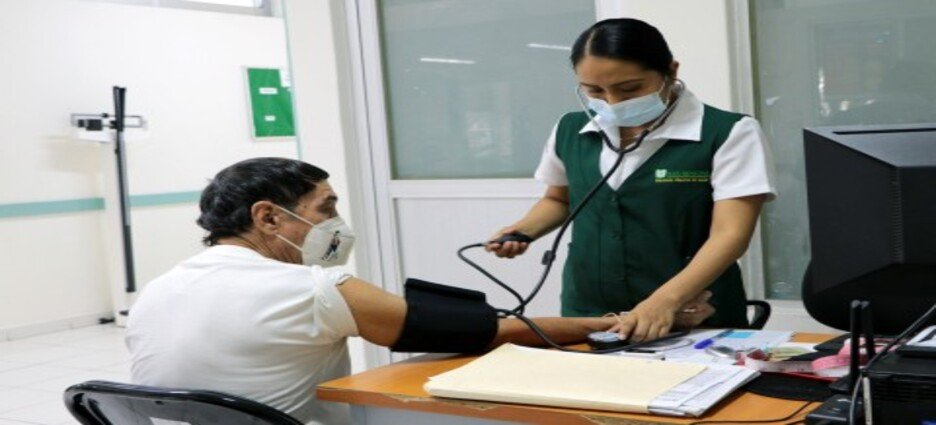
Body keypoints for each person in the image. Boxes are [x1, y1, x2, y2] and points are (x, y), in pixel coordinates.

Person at [126, 158, 715, 425]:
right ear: (270, 218)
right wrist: (614, 320)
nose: (336, 222)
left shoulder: (156, 289)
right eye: (325, 209)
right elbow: (490, 331)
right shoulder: (311, 286)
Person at [487, 18, 776, 344]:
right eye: (595, 90)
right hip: (587, 310)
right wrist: (524, 230)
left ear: (671, 70)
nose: (613, 102)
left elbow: (730, 235)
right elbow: (559, 199)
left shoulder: (728, 133)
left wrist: (664, 301)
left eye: (630, 89)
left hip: (692, 312)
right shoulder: (571, 129)